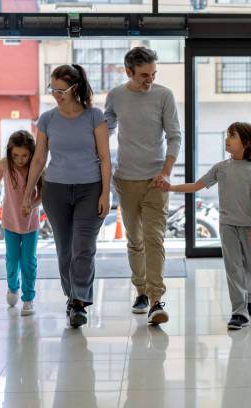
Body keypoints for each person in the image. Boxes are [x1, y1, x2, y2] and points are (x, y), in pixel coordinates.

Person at [22, 64, 111, 328]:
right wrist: (28, 194)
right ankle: (71, 297)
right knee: (64, 250)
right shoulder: (48, 119)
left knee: (83, 248)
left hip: (90, 188)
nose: (56, 94)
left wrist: (106, 194)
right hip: (55, 190)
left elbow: (105, 158)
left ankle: (79, 303)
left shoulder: (94, 116)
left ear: (75, 89)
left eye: (61, 90)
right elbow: (39, 159)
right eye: (53, 89)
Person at [161, 122, 251, 330]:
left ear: (245, 142)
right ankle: (239, 311)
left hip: (250, 226)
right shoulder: (221, 168)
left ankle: (249, 297)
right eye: (227, 135)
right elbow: (196, 185)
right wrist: (171, 186)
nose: (227, 139)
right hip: (227, 225)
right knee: (233, 268)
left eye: (232, 136)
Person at [104, 47, 181, 325]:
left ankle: (156, 299)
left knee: (154, 239)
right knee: (134, 240)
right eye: (143, 75)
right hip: (125, 179)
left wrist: (166, 172)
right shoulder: (116, 96)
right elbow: (106, 127)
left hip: (155, 180)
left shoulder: (164, 95)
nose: (149, 80)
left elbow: (174, 136)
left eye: (153, 74)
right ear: (128, 72)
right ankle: (140, 290)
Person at [0, 130, 42, 316]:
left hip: (30, 224)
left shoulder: (36, 166)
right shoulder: (4, 164)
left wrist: (32, 205)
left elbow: (42, 194)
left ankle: (28, 298)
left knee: (28, 261)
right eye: (16, 155)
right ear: (10, 153)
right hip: (10, 221)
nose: (20, 159)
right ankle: (12, 288)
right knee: (12, 258)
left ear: (31, 153)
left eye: (24, 155)